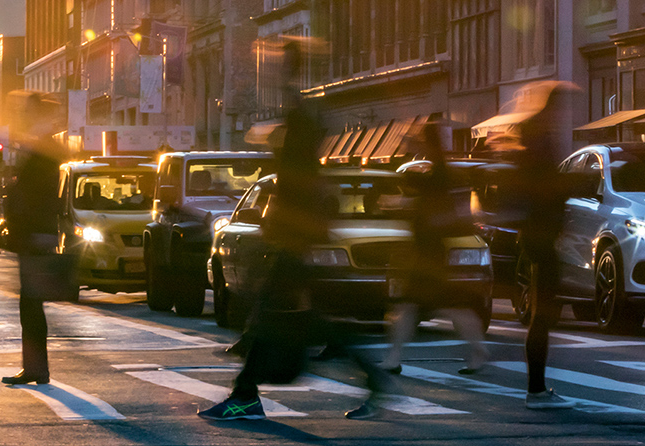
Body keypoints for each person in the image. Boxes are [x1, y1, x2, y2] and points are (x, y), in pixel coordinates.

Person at [199, 40, 394, 421]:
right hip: (295, 238)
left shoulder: (301, 126)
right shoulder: (303, 124)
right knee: (309, 318)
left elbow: (298, 184)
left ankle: (246, 394)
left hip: (294, 240)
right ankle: (372, 380)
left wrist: (284, 230)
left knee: (278, 313)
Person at [379, 124, 488, 375]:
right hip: (428, 250)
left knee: (416, 304)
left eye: (420, 142)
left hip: (428, 252)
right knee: (440, 304)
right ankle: (477, 349)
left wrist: (404, 193)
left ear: (427, 144)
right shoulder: (440, 170)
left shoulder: (438, 171)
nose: (417, 146)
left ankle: (394, 358)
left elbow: (423, 188)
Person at [502, 81, 580, 410]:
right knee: (542, 314)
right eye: (564, 108)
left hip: (536, 234)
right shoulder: (539, 139)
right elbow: (543, 187)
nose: (566, 115)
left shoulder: (533, 134)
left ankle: (537, 386)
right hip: (540, 235)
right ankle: (535, 389)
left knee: (542, 313)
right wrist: (570, 184)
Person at [0, 92, 68, 386]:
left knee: (31, 302)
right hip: (33, 234)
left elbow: (42, 196)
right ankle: (35, 367)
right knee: (31, 303)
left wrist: (40, 232)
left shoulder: (44, 149)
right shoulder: (39, 147)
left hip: (35, 235)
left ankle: (36, 368)